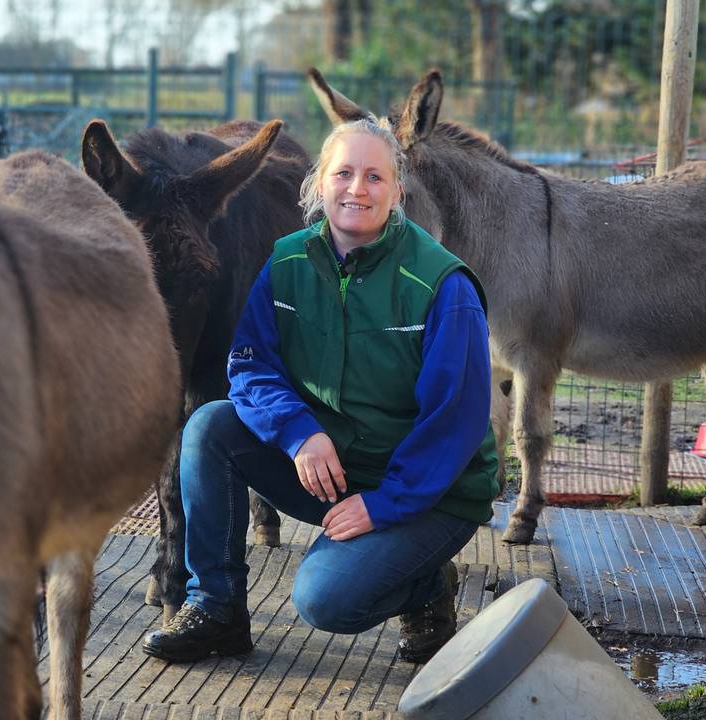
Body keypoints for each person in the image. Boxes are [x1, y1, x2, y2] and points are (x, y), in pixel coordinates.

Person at [142, 116, 499, 665]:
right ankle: (216, 610)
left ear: (397, 191)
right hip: (333, 466)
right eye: (344, 173)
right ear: (318, 185)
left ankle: (425, 586)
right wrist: (298, 431)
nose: (358, 189)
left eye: (375, 177)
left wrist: (384, 505)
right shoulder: (287, 262)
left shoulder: (441, 285)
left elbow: (456, 425)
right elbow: (249, 364)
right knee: (211, 425)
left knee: (325, 599)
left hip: (429, 492)